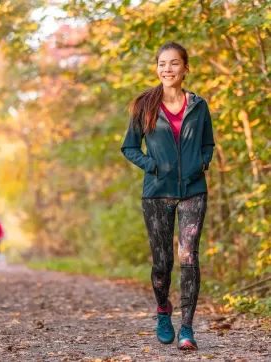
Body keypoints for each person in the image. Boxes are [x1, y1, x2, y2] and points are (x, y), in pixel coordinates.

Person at [121, 42, 215, 350]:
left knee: (188, 257)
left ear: (186, 68)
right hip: (157, 193)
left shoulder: (198, 106)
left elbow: (208, 144)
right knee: (162, 262)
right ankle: (163, 309)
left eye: (174, 63)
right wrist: (153, 166)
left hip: (193, 190)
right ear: (157, 68)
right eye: (162, 63)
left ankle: (187, 327)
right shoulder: (144, 105)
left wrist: (202, 163)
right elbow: (130, 147)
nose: (168, 69)